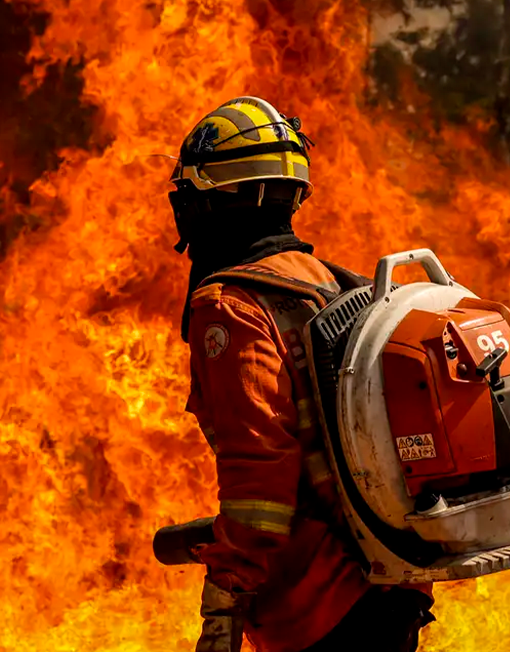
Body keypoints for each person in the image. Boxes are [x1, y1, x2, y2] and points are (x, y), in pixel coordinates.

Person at [169, 97, 435, 652]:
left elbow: (260, 479)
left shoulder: (232, 308)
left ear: (213, 201)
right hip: (388, 585)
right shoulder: (331, 283)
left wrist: (224, 596)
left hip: (317, 609)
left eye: (187, 197)